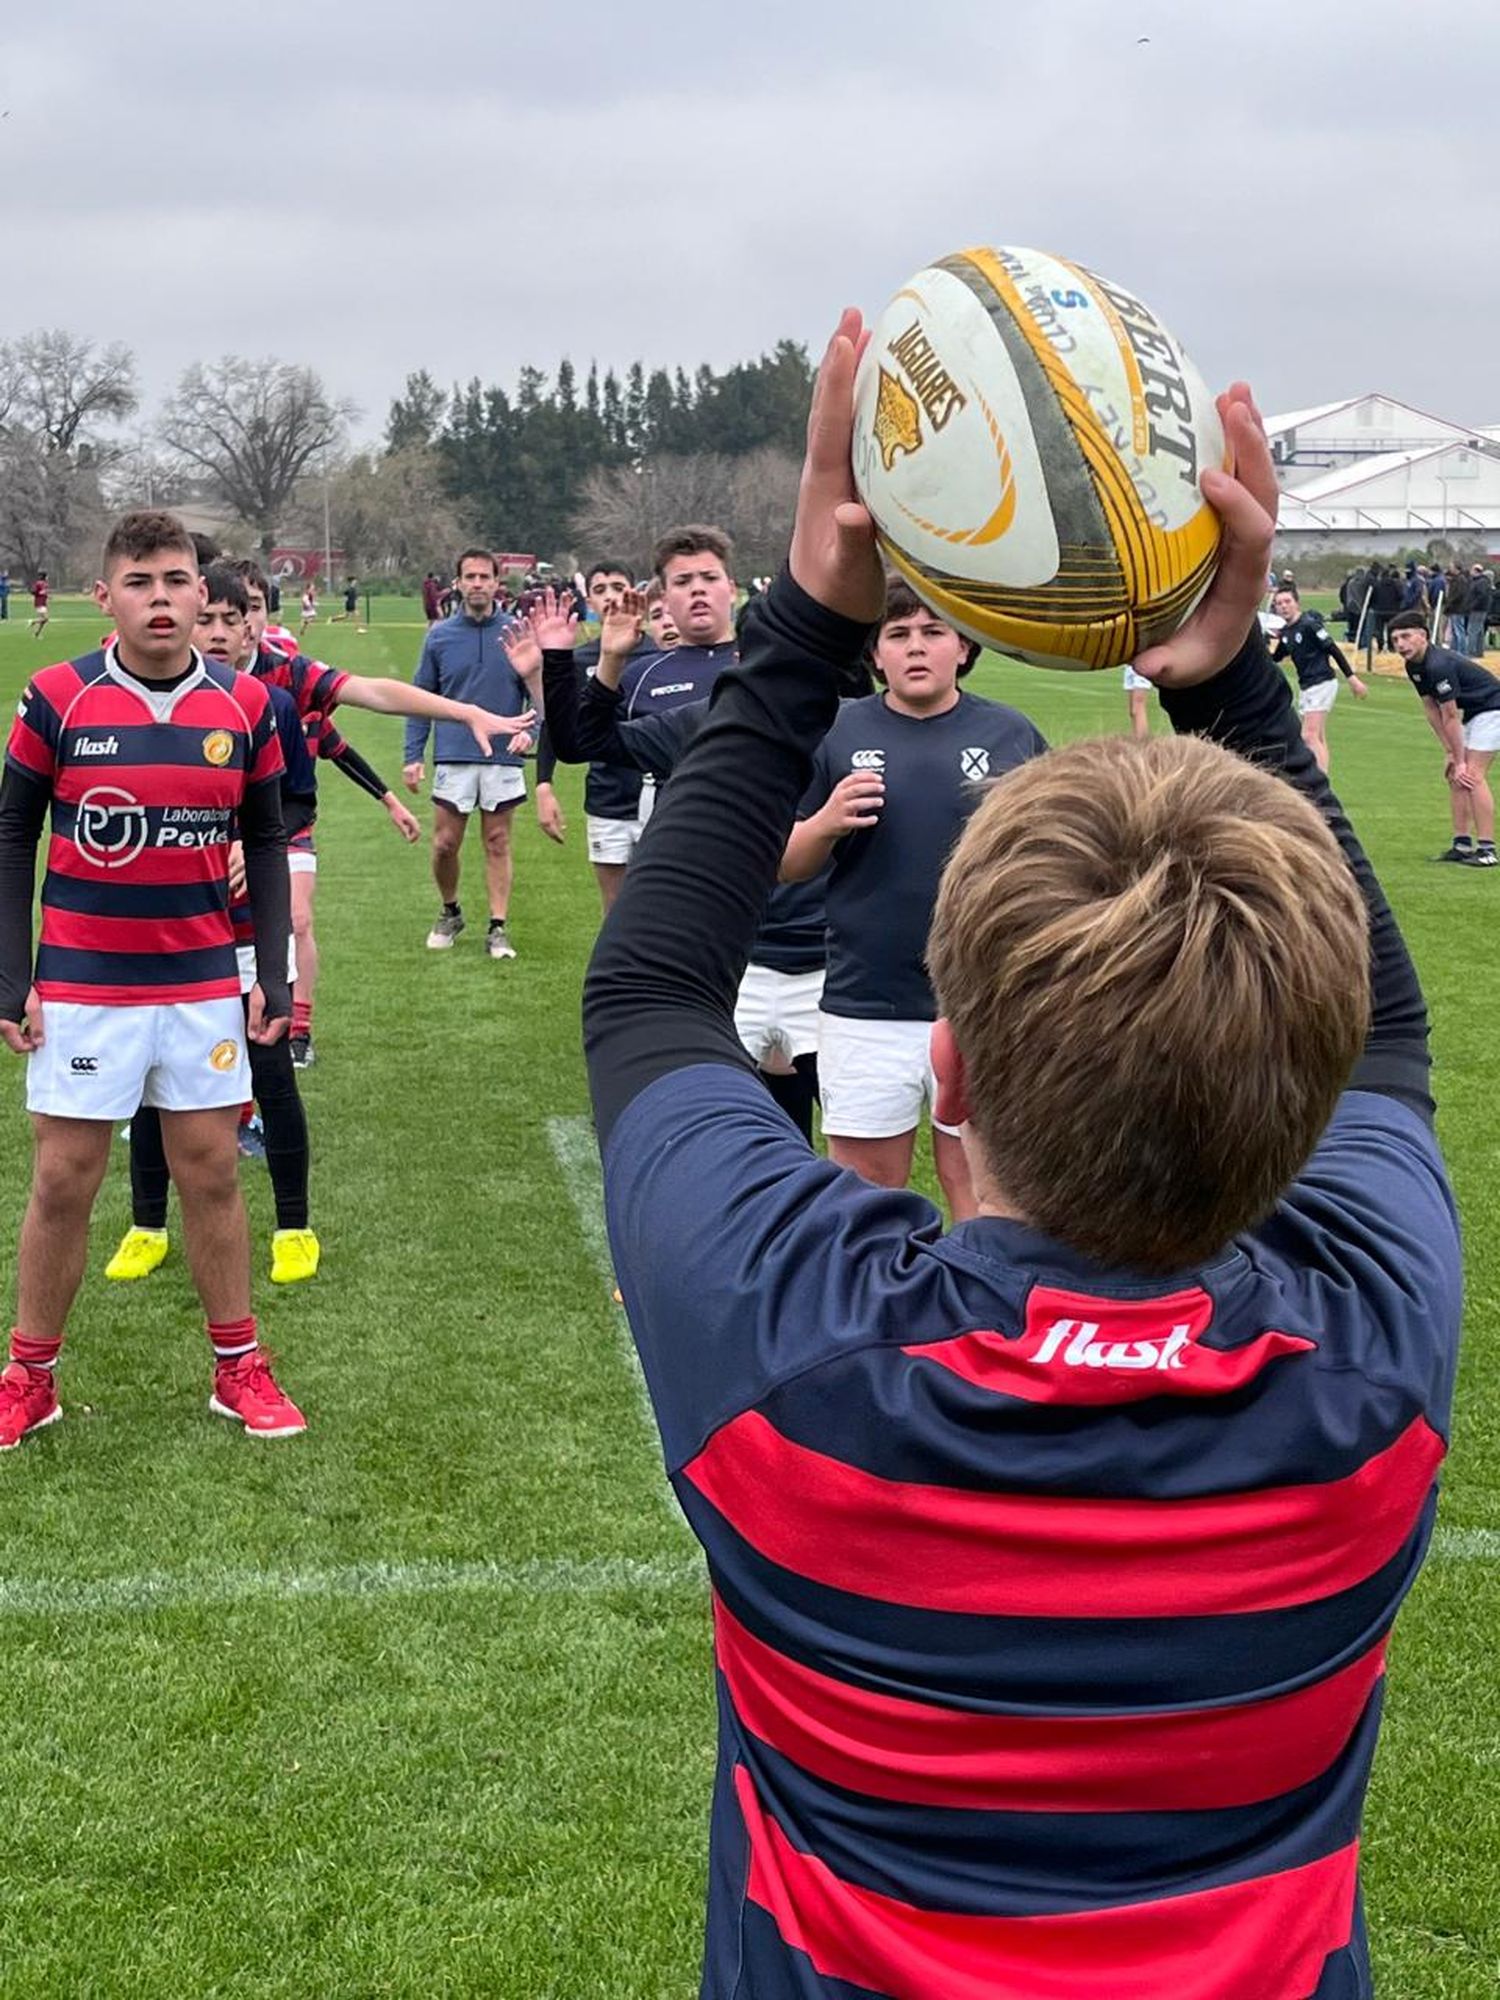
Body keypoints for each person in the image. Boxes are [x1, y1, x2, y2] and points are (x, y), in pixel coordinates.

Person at [584, 315, 1460, 1999]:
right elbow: (1396, 1044)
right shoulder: (1367, 1356)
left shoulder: (800, 1356)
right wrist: (1229, 678)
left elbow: (643, 988)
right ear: (1303, 1079)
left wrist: (807, 615)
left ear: (953, 1072)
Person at [0, 510, 306, 1447]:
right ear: (107, 597)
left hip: (202, 979)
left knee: (211, 1172)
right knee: (64, 1178)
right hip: (87, 983)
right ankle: (30, 1375)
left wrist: (276, 979)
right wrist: (13, 975)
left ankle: (239, 1366)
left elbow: (263, 835)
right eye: (140, 583)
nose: (162, 599)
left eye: (176, 581)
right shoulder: (57, 697)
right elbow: (13, 834)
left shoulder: (245, 706)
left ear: (202, 594)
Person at [780, 577, 1047, 1218]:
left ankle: (982, 1312)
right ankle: (883, 1319)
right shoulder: (836, 735)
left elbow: (1055, 863)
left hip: (982, 1005)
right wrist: (824, 823)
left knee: (986, 1191)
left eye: (933, 632)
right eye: (897, 635)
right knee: (867, 1198)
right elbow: (785, 864)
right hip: (865, 1002)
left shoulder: (1012, 737)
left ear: (963, 648)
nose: (915, 647)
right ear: (875, 654)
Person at [108, 566, 322, 1286]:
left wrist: (248, 841)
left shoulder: (267, 706)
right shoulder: (135, 707)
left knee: (270, 1072)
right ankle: (147, 1224)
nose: (222, 633)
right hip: (161, 934)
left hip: (244, 931)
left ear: (252, 623)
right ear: (192, 619)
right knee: (149, 1085)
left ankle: (293, 1225)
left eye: (236, 619)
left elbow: (298, 803)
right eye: (212, 621)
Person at [230, 559, 475, 1060]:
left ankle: (297, 1031)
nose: (241, 623)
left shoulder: (289, 681)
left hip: (285, 822)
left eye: (252, 609)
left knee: (295, 919)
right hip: (211, 830)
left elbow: (345, 733)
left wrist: (461, 714)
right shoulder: (186, 677)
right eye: (227, 612)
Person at [402, 548, 536, 958]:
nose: (477, 584)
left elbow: (541, 696)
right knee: (445, 843)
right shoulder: (439, 636)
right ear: (457, 583)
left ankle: (498, 927)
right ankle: (450, 911)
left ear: (498, 583)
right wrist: (412, 755)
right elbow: (420, 697)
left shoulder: (518, 632)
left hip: (502, 755)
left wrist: (530, 732)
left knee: (497, 841)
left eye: (485, 576)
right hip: (453, 755)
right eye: (470, 577)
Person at [529, 559, 660, 916]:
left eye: (618, 587)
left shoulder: (661, 655)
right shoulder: (576, 660)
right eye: (600, 590)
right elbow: (557, 724)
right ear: (589, 600)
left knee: (665, 911)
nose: (610, 597)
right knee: (615, 916)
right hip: (607, 801)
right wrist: (543, 785)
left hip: (664, 800)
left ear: (637, 594)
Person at [1389, 608, 1500, 865]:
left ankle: (1487, 850)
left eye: (1406, 636)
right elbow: (1431, 708)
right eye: (1395, 640)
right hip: (1474, 712)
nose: (1400, 644)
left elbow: (1450, 715)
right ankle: (1461, 845)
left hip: (1493, 709)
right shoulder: (1413, 665)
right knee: (1454, 775)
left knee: (1471, 775)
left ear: (1423, 636)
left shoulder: (1439, 665)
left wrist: (1460, 758)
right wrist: (1450, 751)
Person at [1268, 584, 1369, 771]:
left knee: (1308, 735)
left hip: (1322, 682)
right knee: (1318, 736)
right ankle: (1324, 779)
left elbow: (1333, 649)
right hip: (1307, 686)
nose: (1283, 606)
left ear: (1297, 603)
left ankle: (1319, 784)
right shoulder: (1286, 633)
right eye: (1278, 603)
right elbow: (1275, 657)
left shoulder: (1309, 625)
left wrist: (1352, 678)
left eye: (1287, 601)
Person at [1123, 661, 1153, 738]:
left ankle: (1142, 741)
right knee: (1133, 711)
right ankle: (1137, 737)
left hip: (1143, 664)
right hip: (1131, 666)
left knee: (1137, 705)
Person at [28, 572, 49, 639]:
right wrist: (35, 593)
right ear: (44, 577)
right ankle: (32, 622)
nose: (47, 578)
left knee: (42, 621)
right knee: (45, 619)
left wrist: (47, 596)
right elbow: (33, 591)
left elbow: (44, 593)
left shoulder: (45, 584)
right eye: (47, 576)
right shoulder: (38, 584)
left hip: (43, 603)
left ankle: (37, 634)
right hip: (39, 603)